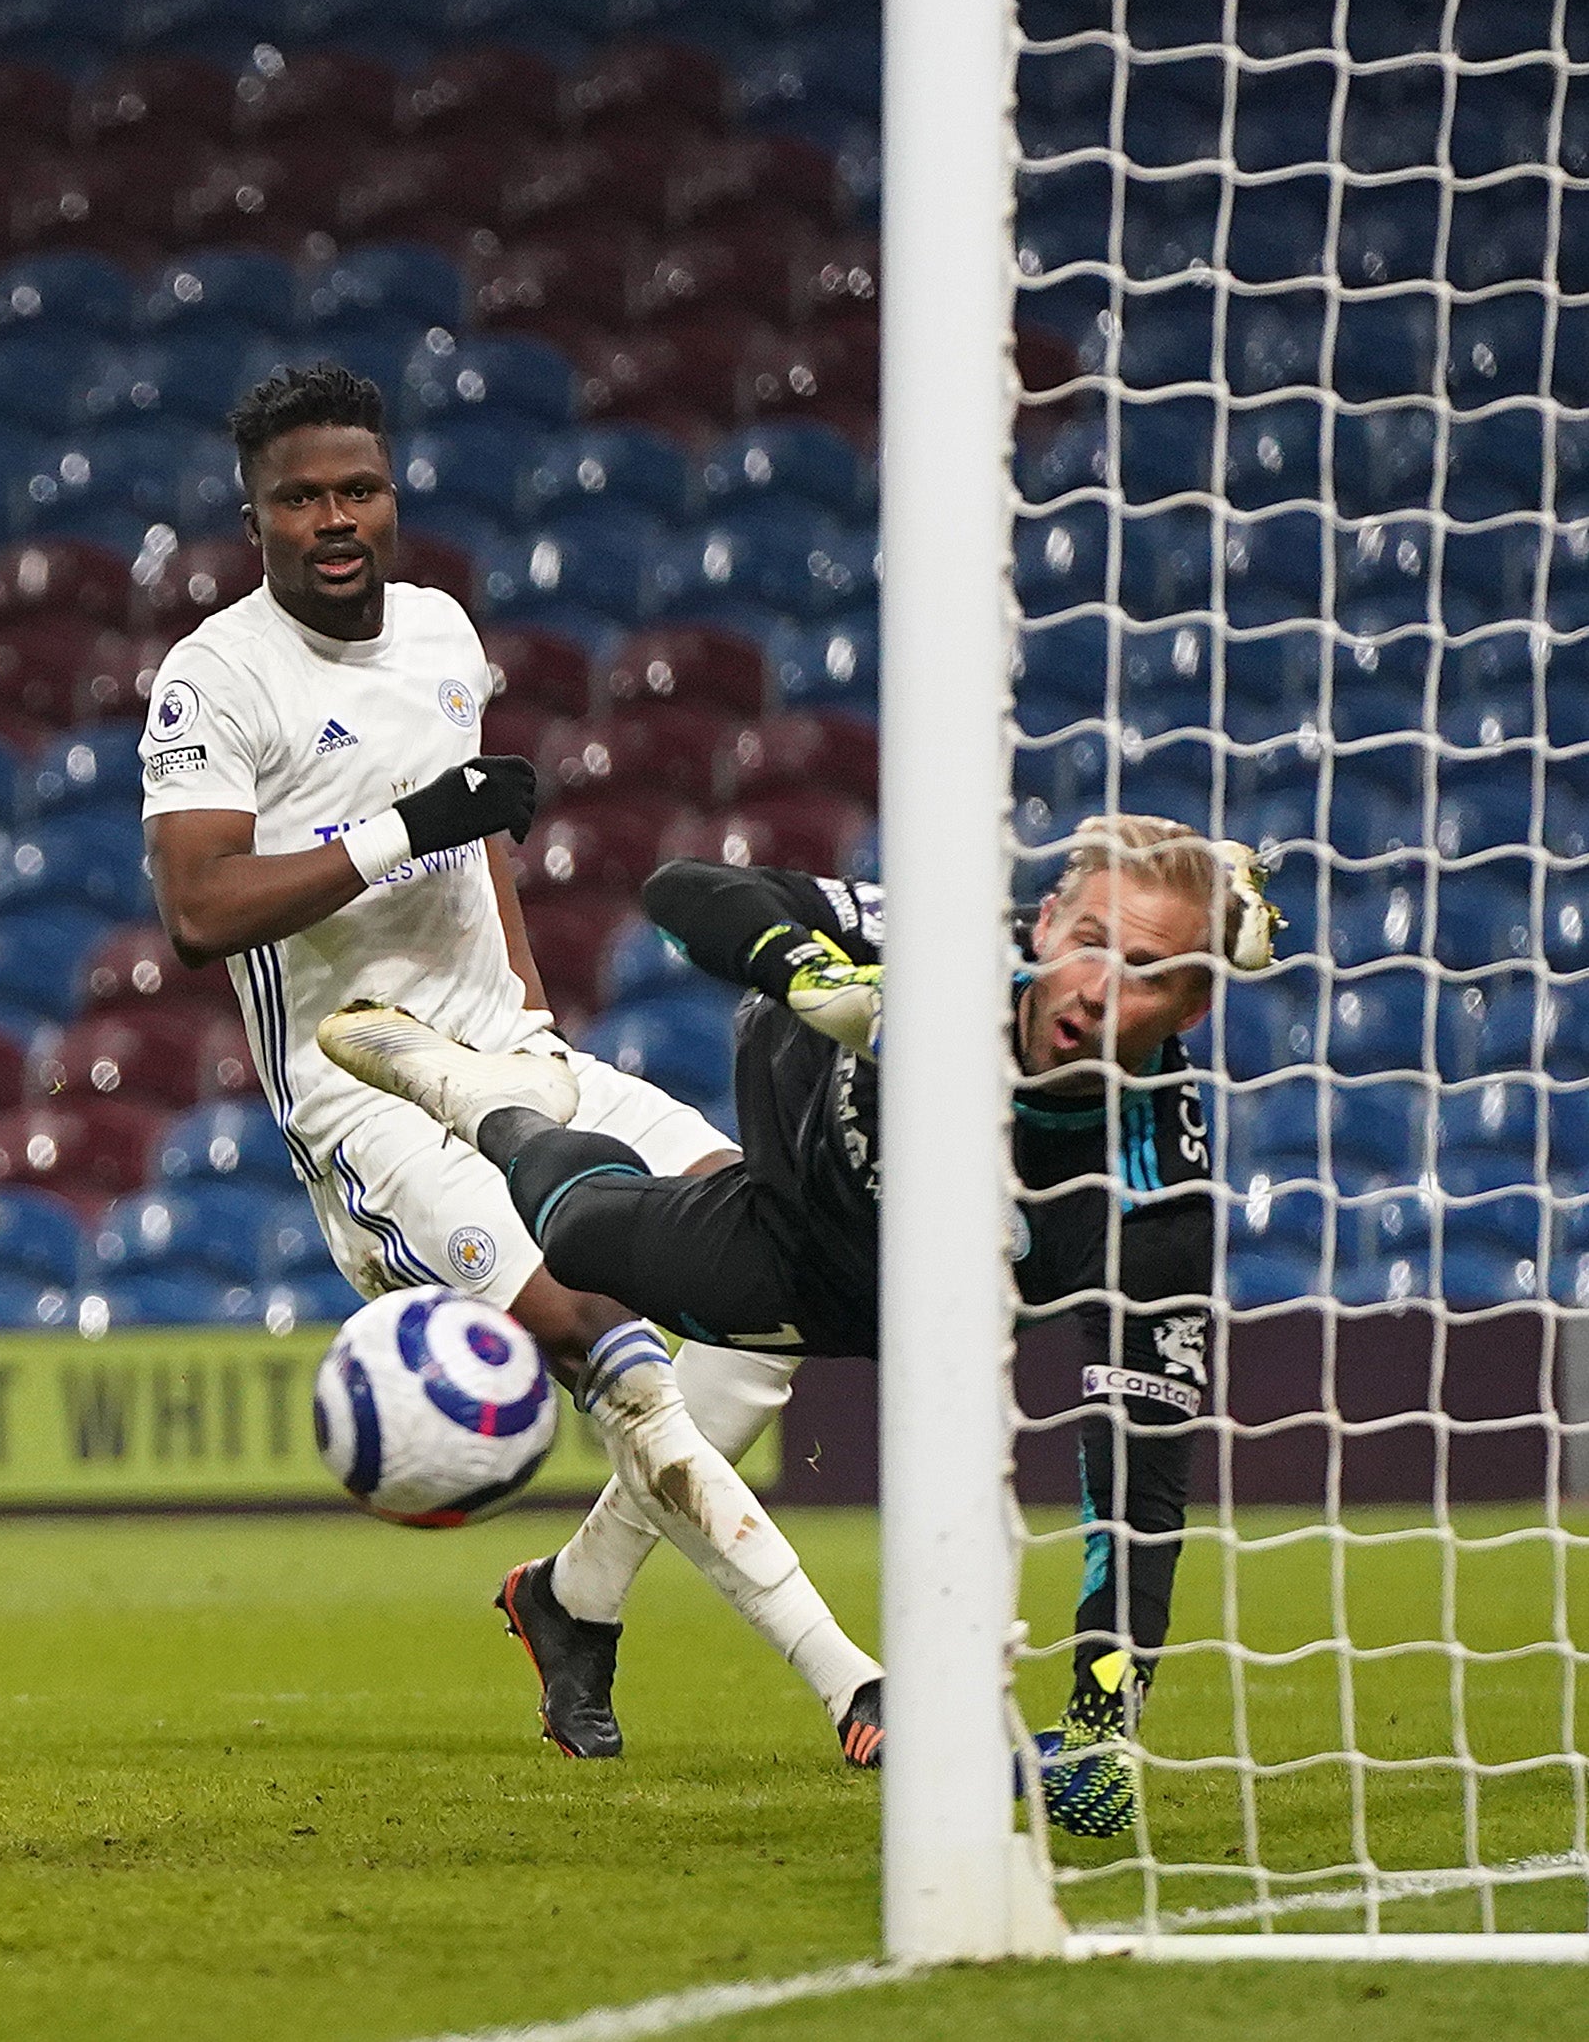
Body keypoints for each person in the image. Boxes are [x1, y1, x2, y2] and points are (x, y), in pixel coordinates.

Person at [140, 363, 884, 1766]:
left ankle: (572, 1595)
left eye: (355, 487)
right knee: (598, 1327)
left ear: (391, 494)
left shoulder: (434, 631)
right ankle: (850, 1677)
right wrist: (395, 824)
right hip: (365, 1086)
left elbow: (472, 837)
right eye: (298, 497)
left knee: (768, 1270)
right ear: (256, 520)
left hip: (513, 1053)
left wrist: (527, 1005)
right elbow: (197, 910)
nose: (333, 516)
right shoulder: (215, 674)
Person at [324, 816, 1271, 1833]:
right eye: (1087, 940)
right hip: (796, 1146)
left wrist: (1101, 1725)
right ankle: (492, 1107)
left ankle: (572, 1594)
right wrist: (811, 973)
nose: (1097, 987)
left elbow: (1139, 1484)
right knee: (583, 1251)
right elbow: (684, 889)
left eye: (1148, 970)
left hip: (868, 1297)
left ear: (1193, 1006)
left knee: (678, 1316)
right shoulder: (941, 948)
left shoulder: (1155, 1197)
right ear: (1042, 925)